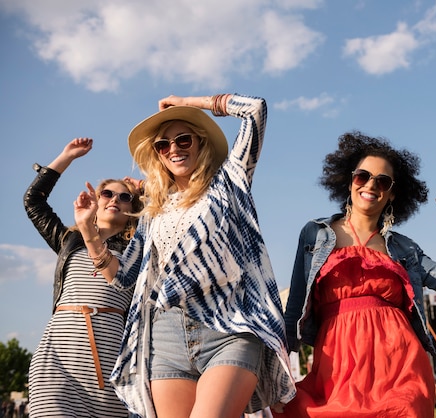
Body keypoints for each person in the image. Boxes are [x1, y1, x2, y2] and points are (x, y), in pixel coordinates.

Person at [74, 94, 296, 418]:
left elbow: (255, 110)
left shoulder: (228, 183)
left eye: (183, 139)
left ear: (199, 142)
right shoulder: (154, 210)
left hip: (228, 327)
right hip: (167, 336)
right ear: (158, 156)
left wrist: (189, 103)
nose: (174, 148)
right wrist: (88, 232)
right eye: (163, 145)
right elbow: (123, 279)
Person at [276, 131, 436, 417]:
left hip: (400, 363)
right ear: (349, 180)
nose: (371, 185)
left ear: (392, 192)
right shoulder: (315, 234)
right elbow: (294, 308)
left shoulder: (404, 248)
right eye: (362, 176)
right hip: (336, 366)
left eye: (383, 181)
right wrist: (278, 372)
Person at [24, 138, 143, 417]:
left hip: (113, 365)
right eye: (107, 194)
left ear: (132, 211)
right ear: (95, 200)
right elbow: (33, 201)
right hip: (58, 360)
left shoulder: (140, 249)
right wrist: (67, 156)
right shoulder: (70, 240)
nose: (115, 199)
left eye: (124, 197)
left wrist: (147, 189)